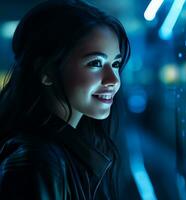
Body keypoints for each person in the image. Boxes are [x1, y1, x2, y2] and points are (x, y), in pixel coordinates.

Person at [0, 0, 130, 199]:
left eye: (115, 64)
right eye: (95, 63)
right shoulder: (37, 161)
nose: (113, 79)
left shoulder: (58, 153)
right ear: (47, 72)